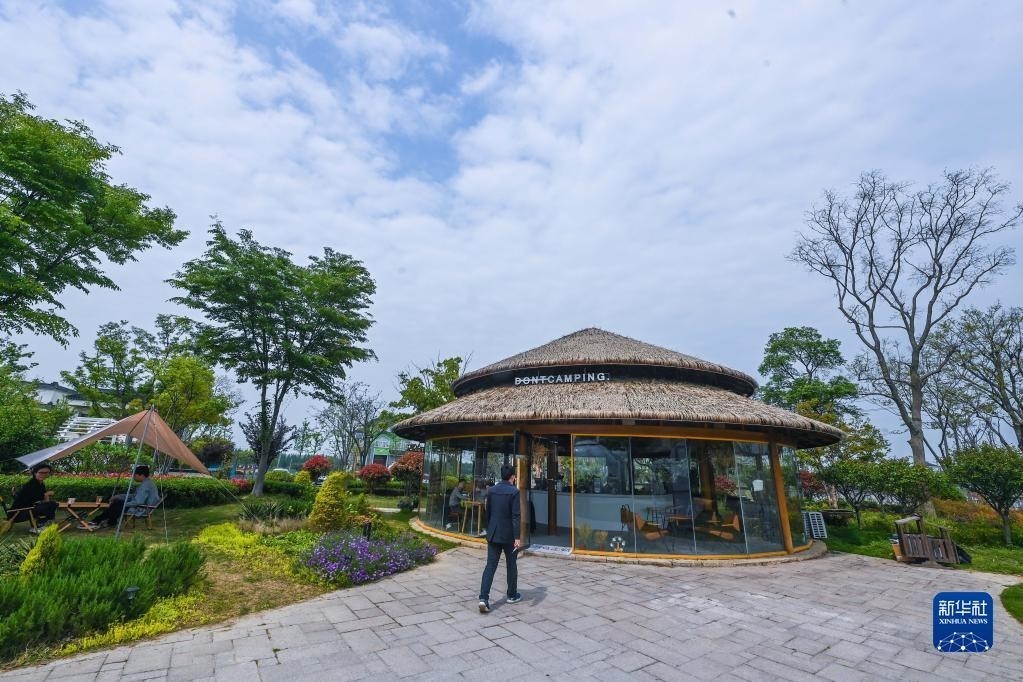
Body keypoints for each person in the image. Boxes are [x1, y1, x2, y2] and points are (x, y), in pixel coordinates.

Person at [478, 464, 522, 613]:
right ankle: (512, 595)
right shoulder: (514, 492)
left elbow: (488, 512)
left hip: (494, 533)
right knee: (511, 565)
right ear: (513, 477)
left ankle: (483, 598)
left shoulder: (492, 491)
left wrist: (489, 529)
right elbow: (516, 516)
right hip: (509, 535)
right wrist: (517, 537)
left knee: (490, 566)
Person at [94, 465, 160, 528]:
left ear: (142, 475)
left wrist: (124, 503)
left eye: (135, 475)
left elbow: (138, 502)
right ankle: (108, 522)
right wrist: (119, 496)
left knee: (117, 505)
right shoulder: (148, 483)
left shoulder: (145, 486)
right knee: (118, 503)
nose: (133, 477)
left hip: (142, 508)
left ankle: (98, 521)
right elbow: (134, 496)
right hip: (144, 506)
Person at [5, 463, 59, 534]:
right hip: (18, 513)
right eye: (41, 472)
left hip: (28, 509)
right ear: (35, 473)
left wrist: (46, 496)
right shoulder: (31, 485)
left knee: (52, 505)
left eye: (47, 473)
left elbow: (43, 500)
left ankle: (39, 525)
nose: (44, 474)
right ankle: (39, 524)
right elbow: (36, 499)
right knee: (53, 504)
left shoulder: (40, 484)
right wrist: (47, 495)